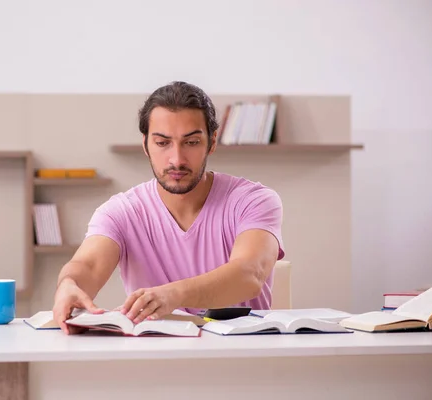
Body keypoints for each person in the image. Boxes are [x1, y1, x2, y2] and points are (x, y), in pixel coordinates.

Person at [53, 81, 285, 334]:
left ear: (212, 141)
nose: (177, 159)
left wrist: (175, 294)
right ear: (145, 145)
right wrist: (68, 284)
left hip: (245, 358)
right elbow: (87, 266)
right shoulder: (121, 212)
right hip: (156, 360)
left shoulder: (253, 200)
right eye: (163, 143)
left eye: (192, 142)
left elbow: (249, 275)